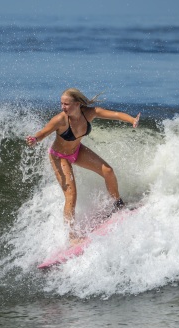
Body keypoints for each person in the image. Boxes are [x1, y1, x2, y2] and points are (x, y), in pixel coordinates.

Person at [26, 88, 140, 244]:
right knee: (71, 195)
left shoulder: (89, 113)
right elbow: (43, 132)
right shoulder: (61, 119)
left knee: (108, 171)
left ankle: (117, 204)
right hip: (59, 157)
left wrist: (132, 120)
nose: (63, 107)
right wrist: (34, 139)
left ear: (77, 104)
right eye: (61, 104)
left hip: (77, 151)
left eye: (66, 104)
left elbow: (114, 115)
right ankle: (72, 236)